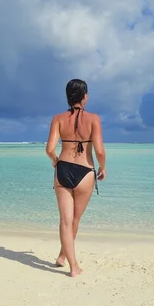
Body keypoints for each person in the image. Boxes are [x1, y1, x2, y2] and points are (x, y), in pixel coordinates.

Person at [45, 78, 106, 277]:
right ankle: (74, 267)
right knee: (74, 220)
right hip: (85, 172)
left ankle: (63, 257)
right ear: (85, 96)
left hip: (62, 169)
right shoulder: (94, 119)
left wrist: (56, 161)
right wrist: (102, 168)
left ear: (68, 96)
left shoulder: (58, 119)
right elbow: (99, 150)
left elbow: (50, 149)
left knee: (65, 221)